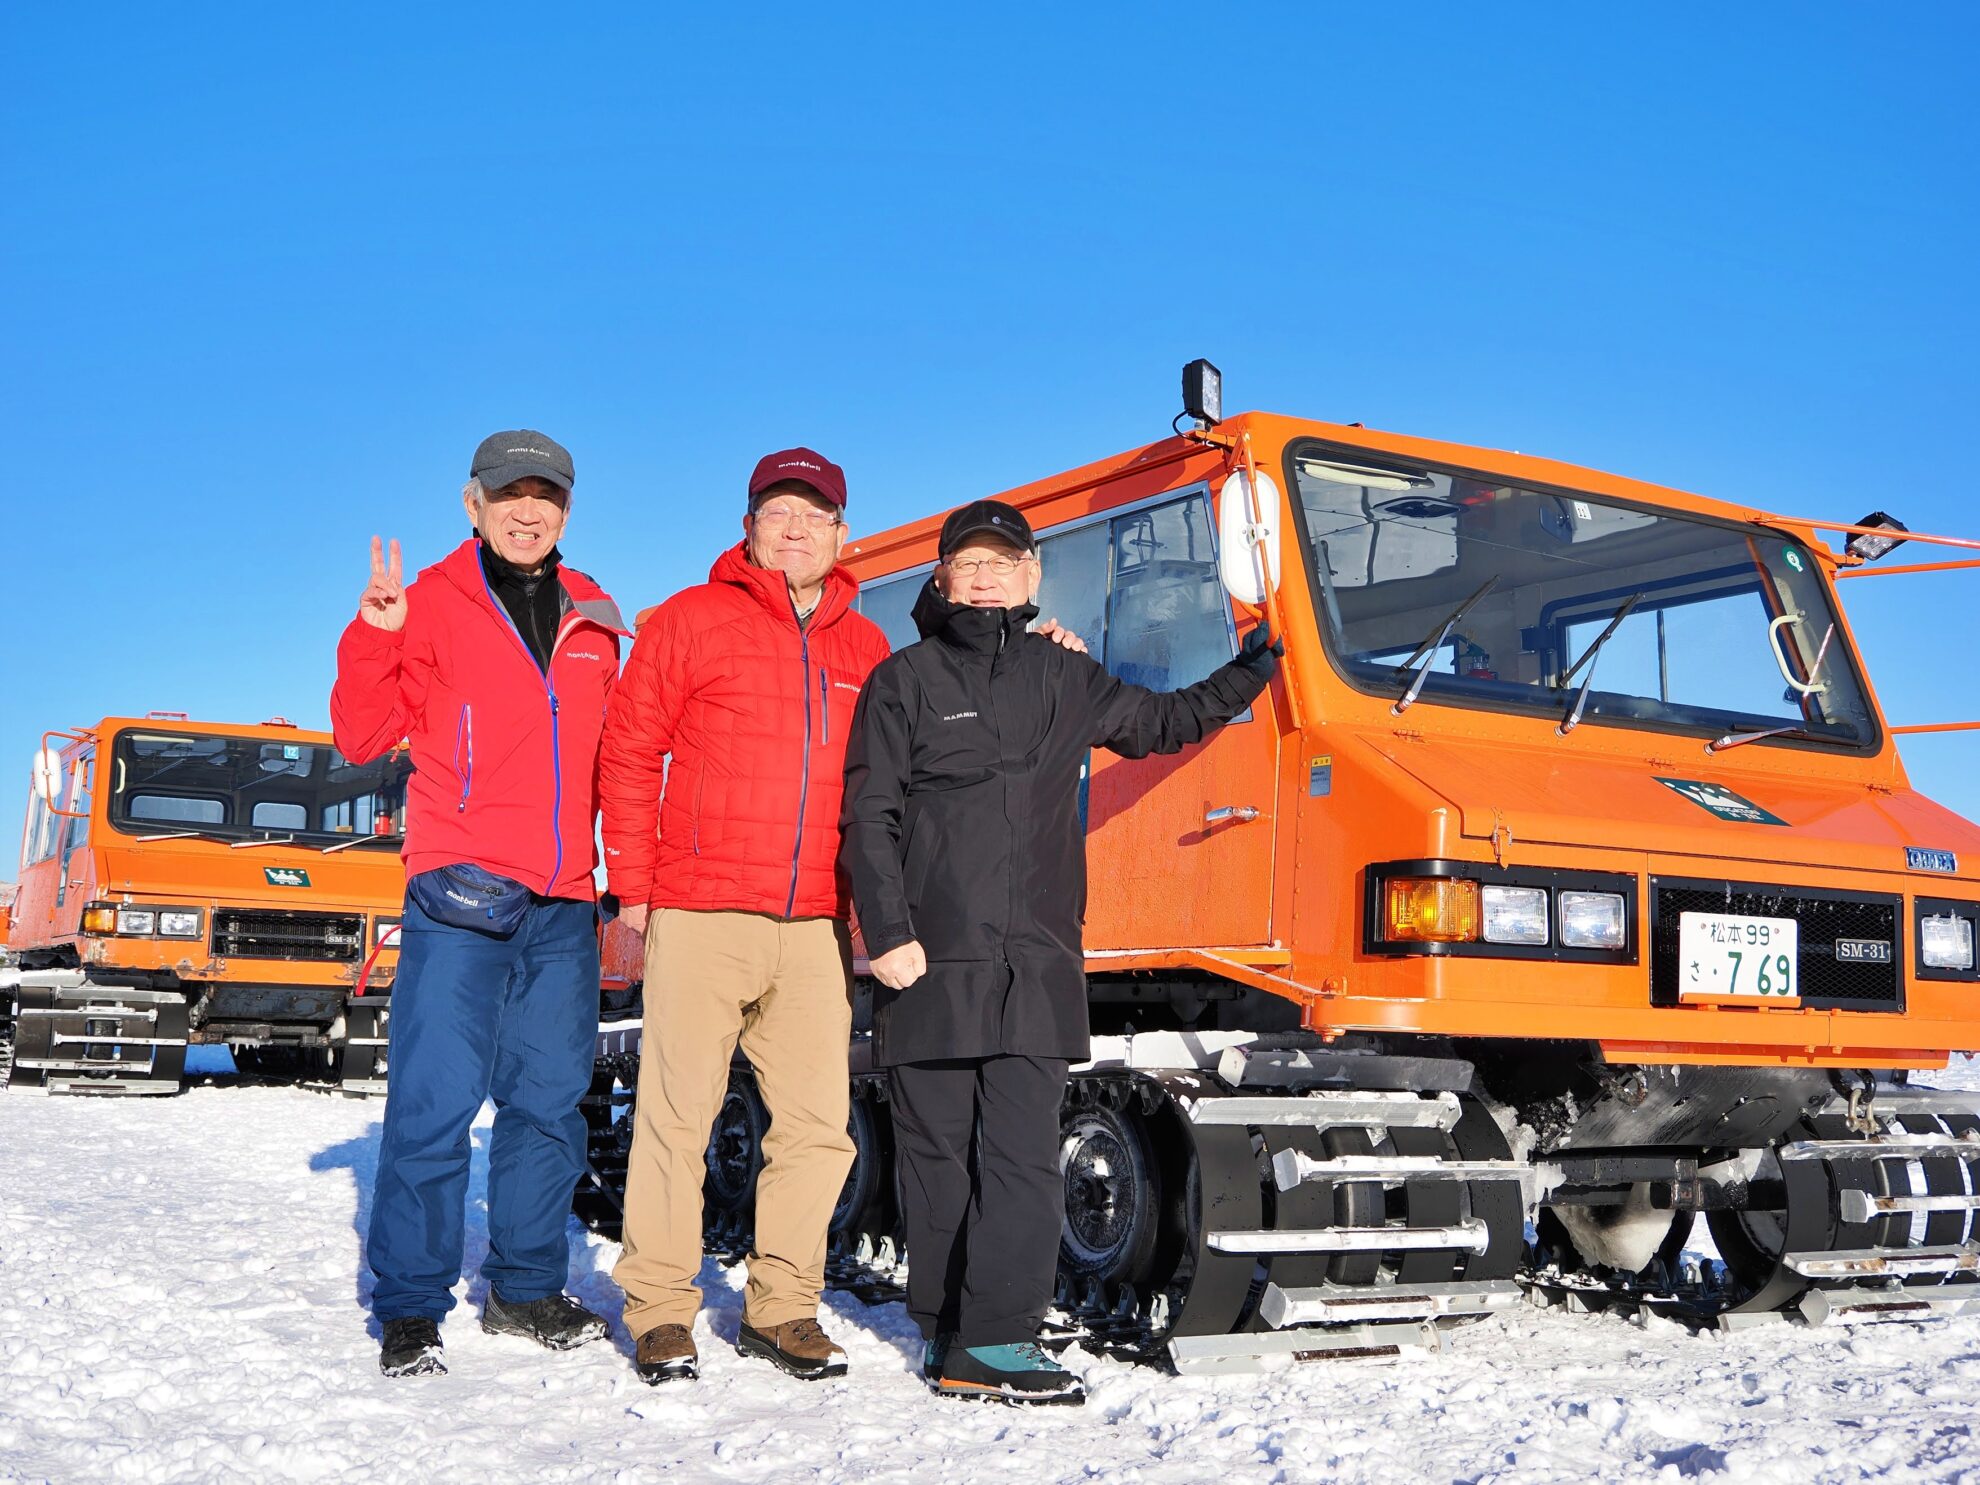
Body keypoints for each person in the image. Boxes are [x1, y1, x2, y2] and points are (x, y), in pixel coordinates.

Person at [839, 498, 1279, 1406]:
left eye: (1003, 562)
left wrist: (1252, 670)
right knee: (936, 1160)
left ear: (1032, 575)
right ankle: (950, 1331)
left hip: (1035, 965)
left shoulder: (1062, 674)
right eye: (969, 563)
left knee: (1023, 1159)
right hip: (929, 963)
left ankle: (996, 1336)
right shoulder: (904, 680)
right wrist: (887, 934)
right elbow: (869, 816)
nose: (986, 577)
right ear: (942, 577)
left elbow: (1162, 721)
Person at [331, 430, 627, 1378]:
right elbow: (361, 734)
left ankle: (525, 1286)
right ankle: (412, 1302)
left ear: (567, 510)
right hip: (461, 886)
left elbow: (620, 754)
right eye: (510, 494)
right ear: (474, 504)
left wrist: (624, 874)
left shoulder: (596, 613)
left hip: (564, 898)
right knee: (435, 1100)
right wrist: (375, 636)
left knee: (548, 1104)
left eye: (546, 496)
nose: (527, 511)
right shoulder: (427, 603)